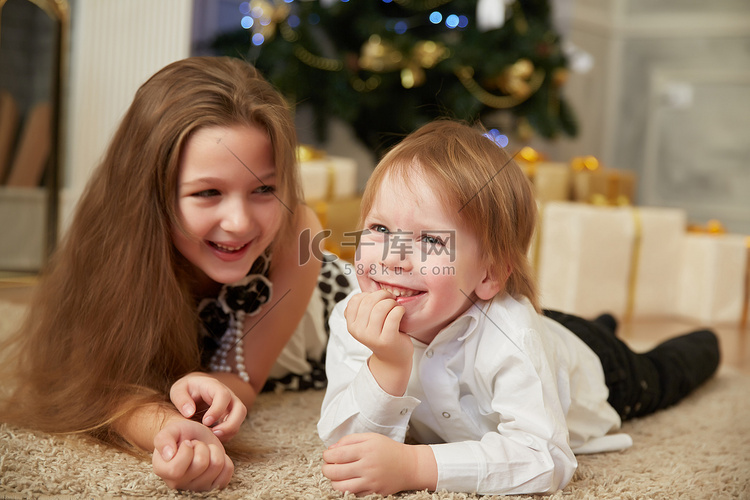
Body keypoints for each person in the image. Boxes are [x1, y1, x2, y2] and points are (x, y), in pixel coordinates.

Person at [0, 56, 352, 491]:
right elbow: (96, 382)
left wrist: (199, 412)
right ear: (150, 194)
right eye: (208, 192)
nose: (240, 222)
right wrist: (168, 428)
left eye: (264, 189)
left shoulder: (296, 231)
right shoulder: (116, 246)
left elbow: (240, 377)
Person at [317, 120, 720, 496]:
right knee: (565, 328)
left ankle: (702, 343)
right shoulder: (354, 315)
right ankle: (599, 324)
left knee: (661, 374)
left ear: (490, 274)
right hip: (540, 328)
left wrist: (416, 465)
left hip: (603, 368)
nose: (392, 258)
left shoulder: (513, 333)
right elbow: (346, 449)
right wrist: (386, 365)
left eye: (432, 242)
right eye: (381, 229)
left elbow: (544, 457)